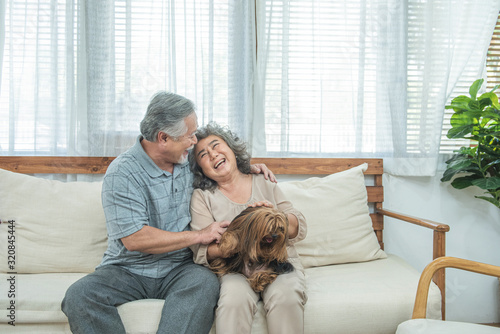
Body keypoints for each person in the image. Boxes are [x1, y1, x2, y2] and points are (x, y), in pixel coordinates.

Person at [61, 92, 275, 334]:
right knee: (79, 296)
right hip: (126, 270)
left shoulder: (187, 160)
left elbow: (219, 163)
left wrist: (247, 170)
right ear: (163, 138)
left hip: (181, 268)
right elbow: (135, 239)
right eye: (189, 136)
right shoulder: (122, 172)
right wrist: (198, 236)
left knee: (204, 283)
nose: (194, 141)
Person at [189, 122, 308, 334]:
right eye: (203, 155)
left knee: (287, 296)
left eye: (216, 145)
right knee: (233, 301)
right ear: (200, 169)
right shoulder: (202, 197)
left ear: (232, 150)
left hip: (279, 263)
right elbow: (203, 252)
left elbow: (298, 227)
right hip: (235, 269)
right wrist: (243, 237)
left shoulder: (264, 181)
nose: (213, 154)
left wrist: (272, 218)